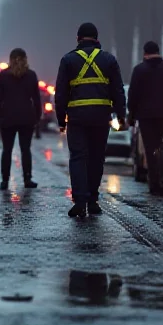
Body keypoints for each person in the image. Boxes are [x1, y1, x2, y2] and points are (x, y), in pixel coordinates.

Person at [55, 23, 127, 218]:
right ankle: (93, 200)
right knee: (96, 158)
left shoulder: (68, 60)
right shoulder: (109, 60)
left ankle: (79, 201)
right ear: (96, 38)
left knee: (78, 157)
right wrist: (122, 115)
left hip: (77, 118)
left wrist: (61, 119)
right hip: (101, 117)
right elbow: (117, 90)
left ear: (78, 38)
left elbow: (61, 93)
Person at [127, 41, 163, 195]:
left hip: (145, 116)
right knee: (161, 147)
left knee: (150, 149)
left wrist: (131, 115)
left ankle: (154, 182)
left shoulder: (139, 70)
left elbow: (133, 95)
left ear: (145, 53)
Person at [0, 48, 41, 190]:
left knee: (6, 150)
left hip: (8, 118)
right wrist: (37, 116)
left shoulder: (3, 75)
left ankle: (5, 180)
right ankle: (27, 179)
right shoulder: (31, 75)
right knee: (25, 149)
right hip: (26, 117)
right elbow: (36, 99)